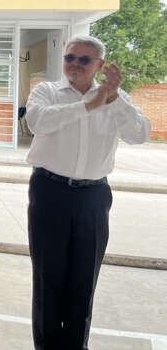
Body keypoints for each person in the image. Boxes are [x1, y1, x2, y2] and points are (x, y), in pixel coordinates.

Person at [26, 35, 150, 350]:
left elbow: (140, 133)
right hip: (50, 192)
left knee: (83, 279)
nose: (75, 64)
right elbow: (38, 122)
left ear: (99, 65)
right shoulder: (47, 91)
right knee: (48, 278)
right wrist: (87, 106)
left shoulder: (115, 98)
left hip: (93, 197)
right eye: (70, 57)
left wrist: (114, 98)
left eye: (84, 59)